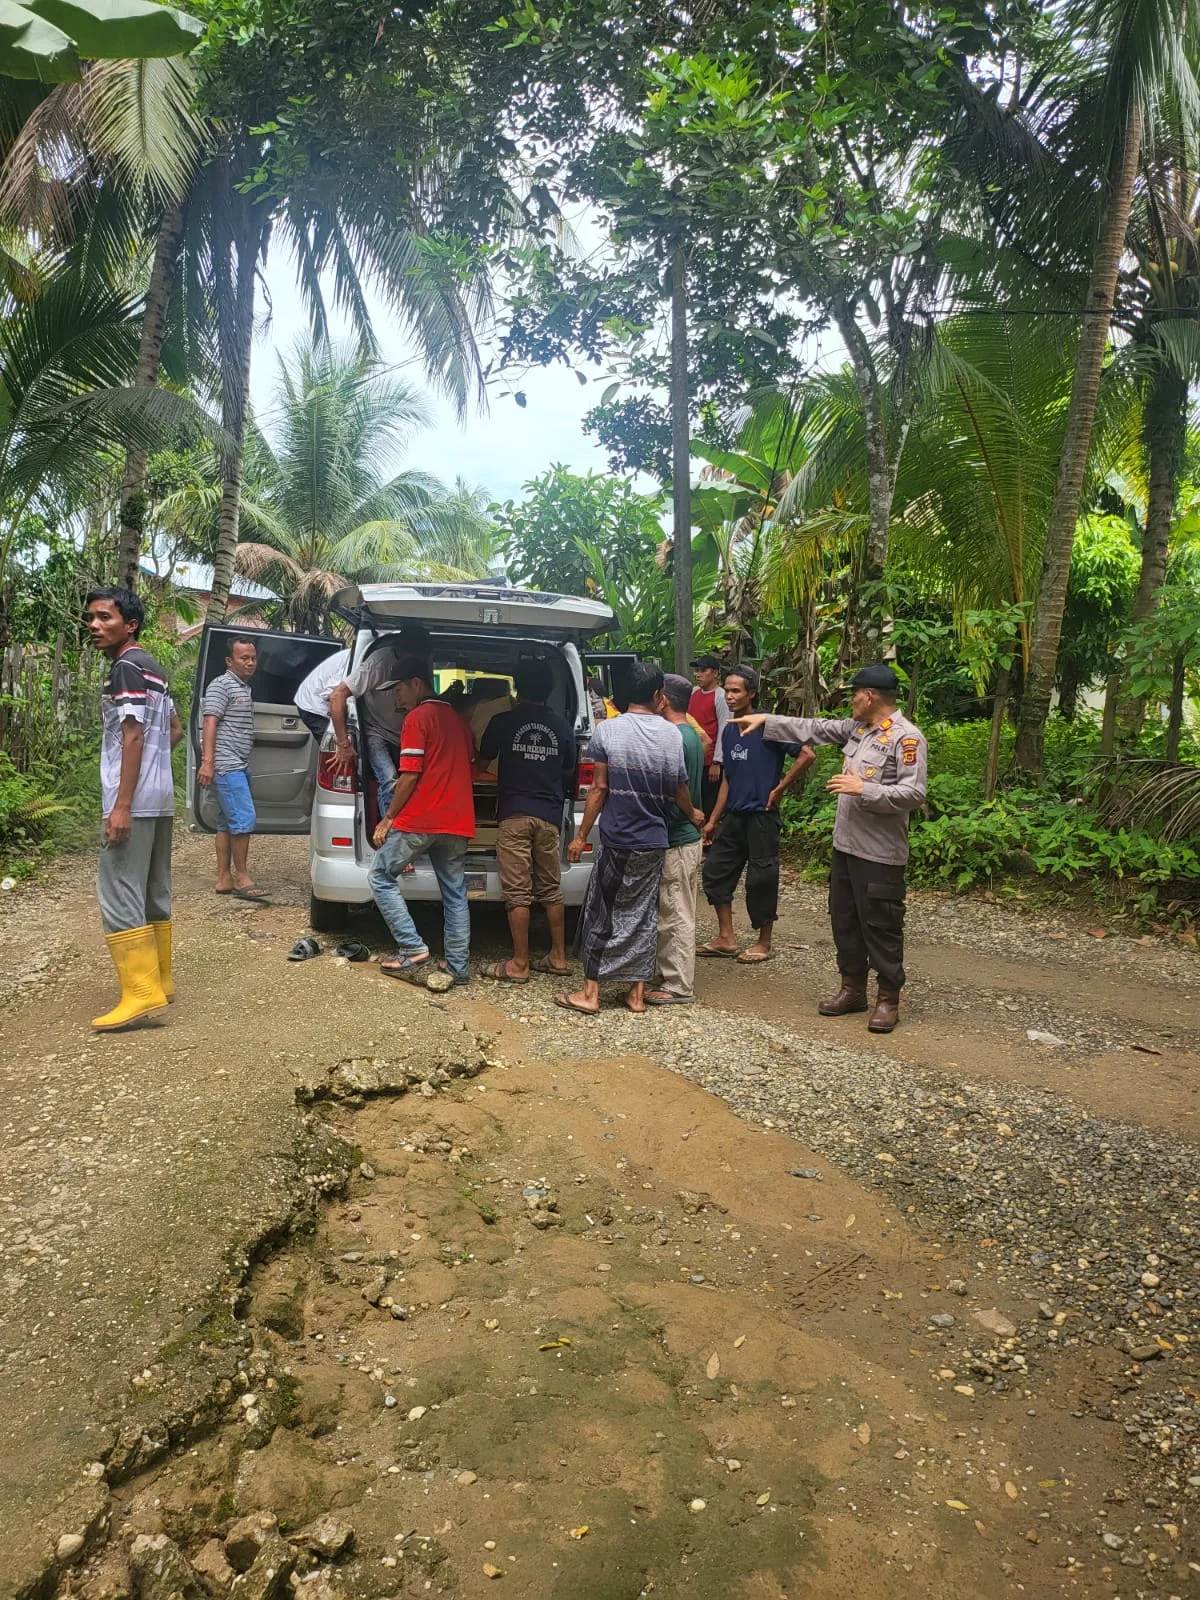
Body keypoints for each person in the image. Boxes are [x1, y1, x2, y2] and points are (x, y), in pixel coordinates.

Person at [733, 663, 927, 1032]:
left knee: (881, 925)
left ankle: (888, 998)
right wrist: (766, 720)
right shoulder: (858, 729)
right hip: (847, 846)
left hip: (880, 854)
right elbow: (816, 728)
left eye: (854, 693)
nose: (850, 700)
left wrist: (864, 789)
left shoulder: (907, 738)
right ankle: (852, 989)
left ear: (869, 696)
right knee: (845, 919)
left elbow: (914, 794)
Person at [556, 661, 702, 1016]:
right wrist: (692, 813)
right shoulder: (672, 735)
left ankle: (590, 993)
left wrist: (580, 836)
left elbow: (599, 789)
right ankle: (636, 995)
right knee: (644, 914)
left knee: (602, 911)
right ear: (657, 696)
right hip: (655, 840)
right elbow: (679, 788)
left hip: (619, 838)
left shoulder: (608, 731)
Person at [86, 586, 183, 1031]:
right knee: (153, 888)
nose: (94, 625)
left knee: (119, 889)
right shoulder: (154, 668)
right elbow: (175, 730)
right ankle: (159, 981)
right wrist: (152, 773)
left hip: (134, 801)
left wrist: (122, 804)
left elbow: (132, 736)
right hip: (160, 797)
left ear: (131, 624)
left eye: (105, 617)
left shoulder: (124, 668)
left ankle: (140, 994)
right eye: (91, 618)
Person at [368, 655, 476, 987]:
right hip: (457, 822)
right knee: (455, 893)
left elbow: (409, 775)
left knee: (380, 876)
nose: (396, 698)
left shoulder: (417, 718)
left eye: (399, 690)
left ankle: (412, 947)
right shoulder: (459, 720)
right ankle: (457, 968)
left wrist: (388, 818)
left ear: (417, 684)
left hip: (421, 819)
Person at [700, 665, 813, 965]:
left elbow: (806, 754)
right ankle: (726, 937)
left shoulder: (769, 725)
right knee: (714, 872)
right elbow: (728, 778)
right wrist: (712, 820)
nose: (730, 695)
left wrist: (780, 788)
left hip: (762, 817)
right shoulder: (729, 729)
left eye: (736, 690)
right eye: (727, 689)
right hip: (735, 816)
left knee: (762, 879)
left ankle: (765, 943)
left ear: (751, 693)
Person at [478, 657, 577, 982]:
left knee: (518, 892)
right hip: (548, 816)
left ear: (517, 687)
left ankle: (519, 963)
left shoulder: (503, 721)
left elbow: (483, 761)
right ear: (549, 690)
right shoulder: (563, 726)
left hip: (515, 813)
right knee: (551, 889)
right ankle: (558, 957)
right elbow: (568, 769)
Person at [646, 674, 706, 1006]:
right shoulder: (690, 736)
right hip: (683, 835)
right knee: (673, 907)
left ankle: (679, 984)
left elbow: (676, 787)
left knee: (676, 911)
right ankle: (668, 972)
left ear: (663, 700)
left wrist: (691, 812)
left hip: (679, 836)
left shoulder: (676, 738)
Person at [328, 623, 432, 811]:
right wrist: (343, 744)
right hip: (377, 731)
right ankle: (388, 831)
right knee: (389, 778)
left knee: (415, 780)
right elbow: (337, 696)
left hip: (407, 732)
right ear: (401, 650)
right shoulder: (378, 663)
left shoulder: (421, 664)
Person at [198, 637, 267, 901]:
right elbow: (210, 723)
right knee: (244, 819)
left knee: (226, 823)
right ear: (230, 661)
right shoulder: (222, 685)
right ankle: (242, 877)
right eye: (244, 658)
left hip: (237, 764)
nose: (250, 663)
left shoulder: (243, 687)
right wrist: (208, 763)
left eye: (252, 658)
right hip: (227, 766)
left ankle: (223, 879)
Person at [689, 653, 731, 816]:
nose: (698, 674)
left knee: (709, 802)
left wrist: (717, 762)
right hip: (694, 758)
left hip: (710, 761)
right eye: (697, 670)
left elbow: (723, 728)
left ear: (715, 673)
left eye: (703, 670)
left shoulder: (720, 696)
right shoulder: (693, 692)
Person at [294, 647, 350, 742]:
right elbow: (333, 695)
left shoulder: (362, 655)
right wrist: (343, 742)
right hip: (314, 704)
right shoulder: (357, 662)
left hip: (315, 697)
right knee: (334, 746)